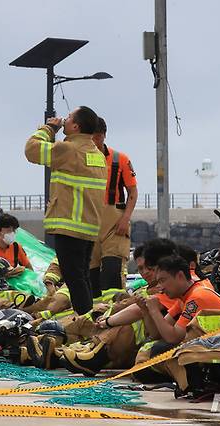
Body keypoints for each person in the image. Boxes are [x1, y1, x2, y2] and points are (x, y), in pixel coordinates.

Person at [25, 106, 106, 316]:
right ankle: (88, 318)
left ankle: (85, 322)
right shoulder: (96, 154)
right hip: (88, 227)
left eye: (69, 118)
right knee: (82, 276)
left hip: (69, 225)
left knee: (73, 278)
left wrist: (49, 128)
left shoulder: (69, 149)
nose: (65, 120)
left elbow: (32, 150)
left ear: (76, 126)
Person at [89, 117, 138, 297]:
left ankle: (114, 308)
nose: (93, 142)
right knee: (90, 272)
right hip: (88, 219)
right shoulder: (79, 159)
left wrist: (125, 218)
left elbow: (132, 192)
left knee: (112, 269)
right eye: (90, 138)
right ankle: (92, 311)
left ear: (103, 136)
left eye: (97, 137)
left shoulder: (120, 159)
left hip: (114, 219)